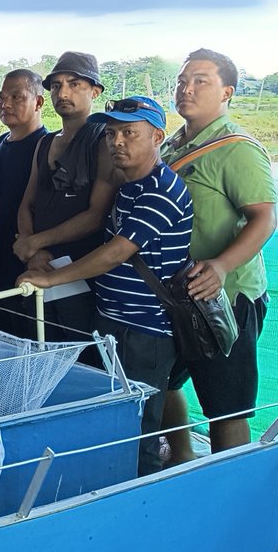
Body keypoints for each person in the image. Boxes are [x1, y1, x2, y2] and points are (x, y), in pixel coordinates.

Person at [18, 96, 192, 476]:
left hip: (144, 332)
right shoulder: (129, 185)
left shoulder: (161, 189)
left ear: (157, 137)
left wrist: (50, 278)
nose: (117, 142)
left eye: (130, 133)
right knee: (114, 420)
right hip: (113, 323)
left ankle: (141, 506)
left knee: (139, 431)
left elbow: (115, 253)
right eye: (111, 133)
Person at [159, 49, 277, 462]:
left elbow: (264, 219)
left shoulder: (238, 149)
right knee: (167, 383)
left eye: (201, 81)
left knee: (226, 405)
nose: (186, 89)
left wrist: (223, 265)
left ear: (226, 91)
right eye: (181, 80)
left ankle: (228, 484)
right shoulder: (171, 145)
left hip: (225, 297)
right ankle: (182, 459)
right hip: (175, 293)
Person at [14, 52, 115, 353]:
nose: (63, 93)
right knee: (41, 352)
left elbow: (96, 215)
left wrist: (35, 243)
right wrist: (34, 252)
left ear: (95, 91)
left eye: (74, 84)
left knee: (81, 357)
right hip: (39, 267)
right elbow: (27, 203)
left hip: (82, 272)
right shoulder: (46, 142)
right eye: (56, 86)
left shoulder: (104, 142)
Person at [0, 70, 48, 336]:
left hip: (23, 260)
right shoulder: (0, 142)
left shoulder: (46, 147)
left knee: (22, 337)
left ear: (38, 102)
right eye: (2, 97)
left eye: (16, 97)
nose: (6, 104)